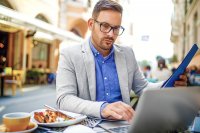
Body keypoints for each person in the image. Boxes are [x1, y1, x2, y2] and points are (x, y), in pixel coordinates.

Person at [56, 0, 188, 122]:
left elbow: (143, 88)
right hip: (86, 126)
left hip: (123, 126)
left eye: (116, 28)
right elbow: (64, 99)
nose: (111, 34)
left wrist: (170, 83)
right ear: (91, 24)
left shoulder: (127, 54)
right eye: (105, 26)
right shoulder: (69, 54)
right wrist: (102, 108)